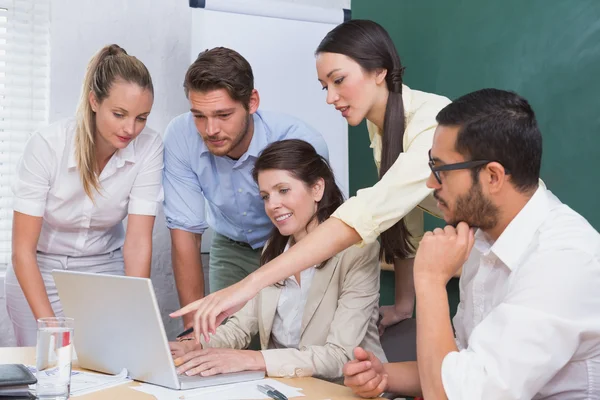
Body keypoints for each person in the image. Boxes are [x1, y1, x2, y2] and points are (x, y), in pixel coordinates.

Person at [170, 20, 452, 339]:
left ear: (379, 71)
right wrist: (403, 305)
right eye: (324, 86)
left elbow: (368, 213)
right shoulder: (383, 129)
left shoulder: (431, 125)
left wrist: (250, 284)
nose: (330, 98)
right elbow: (405, 217)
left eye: (339, 80)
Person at [343, 88, 600, 399]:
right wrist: (385, 375)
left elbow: (459, 394)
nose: (430, 183)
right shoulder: (478, 240)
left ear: (492, 177)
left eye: (440, 170)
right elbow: (459, 369)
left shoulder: (562, 260)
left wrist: (429, 281)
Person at [169, 139, 385, 381]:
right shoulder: (274, 249)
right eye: (265, 196)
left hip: (346, 390)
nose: (272, 205)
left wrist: (253, 359)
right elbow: (240, 327)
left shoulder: (358, 251)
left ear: (317, 189)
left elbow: (339, 356)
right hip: (285, 388)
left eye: (283, 190)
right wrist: (194, 346)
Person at [6, 44, 163, 346]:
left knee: (113, 362)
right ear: (94, 101)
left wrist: (135, 310)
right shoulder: (47, 146)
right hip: (38, 268)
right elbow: (22, 251)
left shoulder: (150, 147)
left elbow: (138, 242)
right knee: (46, 368)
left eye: (142, 118)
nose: (130, 129)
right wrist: (54, 331)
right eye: (119, 114)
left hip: (102, 268)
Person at [163, 47, 328, 331]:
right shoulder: (180, 136)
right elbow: (185, 235)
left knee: (292, 338)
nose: (209, 129)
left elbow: (318, 235)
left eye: (223, 114)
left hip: (294, 244)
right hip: (230, 245)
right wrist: (194, 332)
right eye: (199, 116)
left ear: (252, 102)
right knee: (218, 341)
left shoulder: (300, 141)